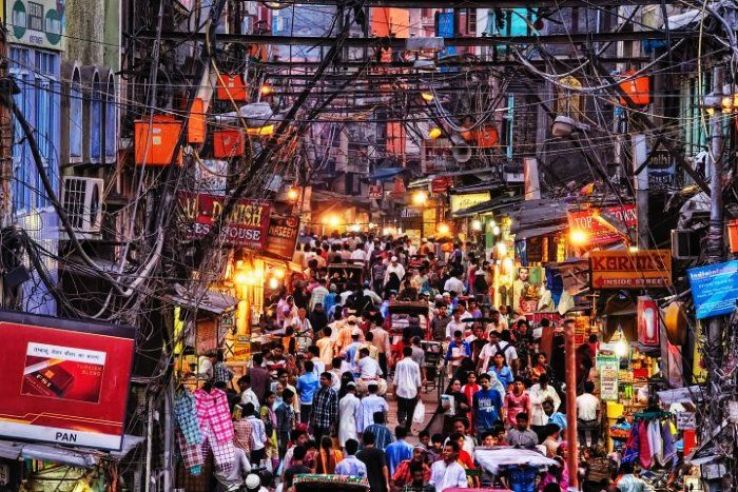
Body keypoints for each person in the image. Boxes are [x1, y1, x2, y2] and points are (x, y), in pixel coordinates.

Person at [394, 346, 423, 431]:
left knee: (401, 408)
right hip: (412, 391)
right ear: (411, 354)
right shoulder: (415, 365)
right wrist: (419, 392)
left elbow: (396, 379)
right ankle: (407, 428)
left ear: (403, 353)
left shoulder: (399, 364)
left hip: (401, 390)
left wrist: (394, 391)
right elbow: (418, 380)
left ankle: (402, 420)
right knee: (410, 410)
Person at [529, 373, 561, 442]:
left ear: (547, 382)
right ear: (540, 382)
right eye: (542, 383)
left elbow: (558, 401)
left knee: (546, 440)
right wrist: (545, 397)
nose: (544, 385)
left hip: (548, 419)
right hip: (536, 419)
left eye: (545, 383)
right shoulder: (534, 388)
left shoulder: (551, 389)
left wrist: (553, 410)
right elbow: (533, 400)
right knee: (536, 440)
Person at [310, 372, 338, 443]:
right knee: (316, 443)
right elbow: (313, 408)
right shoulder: (316, 391)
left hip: (326, 425)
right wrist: (311, 422)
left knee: (323, 444)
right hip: (316, 424)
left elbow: (334, 411)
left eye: (324, 379)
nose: (321, 381)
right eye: (321, 379)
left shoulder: (332, 393)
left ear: (329, 381)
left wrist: (333, 425)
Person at [576, 380, 602, 448]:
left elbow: (576, 411)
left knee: (579, 428)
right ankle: (594, 444)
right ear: (592, 389)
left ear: (584, 388)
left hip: (581, 423)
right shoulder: (596, 399)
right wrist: (597, 420)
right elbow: (598, 412)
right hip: (593, 423)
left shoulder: (578, 399)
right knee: (598, 426)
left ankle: (583, 445)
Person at [338, 381, 362, 447]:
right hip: (352, 425)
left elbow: (339, 413)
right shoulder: (356, 400)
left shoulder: (341, 400)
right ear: (354, 390)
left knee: (344, 445)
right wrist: (359, 429)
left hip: (342, 424)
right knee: (352, 446)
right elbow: (357, 416)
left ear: (346, 389)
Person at [275, 388, 296, 457]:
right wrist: (279, 439)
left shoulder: (290, 407)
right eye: (291, 398)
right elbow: (278, 424)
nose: (293, 399)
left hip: (288, 432)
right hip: (283, 434)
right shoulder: (280, 409)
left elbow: (291, 418)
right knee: (283, 452)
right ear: (287, 398)